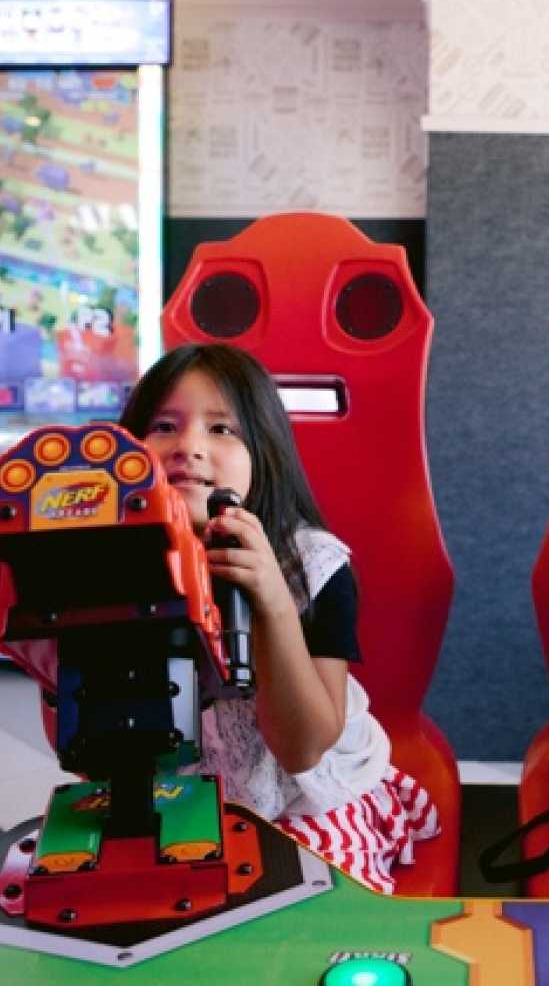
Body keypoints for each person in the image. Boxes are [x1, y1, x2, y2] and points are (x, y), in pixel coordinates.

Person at [117, 342, 439, 893]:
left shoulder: (311, 565)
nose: (188, 447)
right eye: (164, 425)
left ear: (263, 453)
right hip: (168, 797)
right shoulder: (118, 565)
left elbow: (303, 745)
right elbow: (83, 750)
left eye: (222, 430)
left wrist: (271, 600)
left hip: (299, 800)